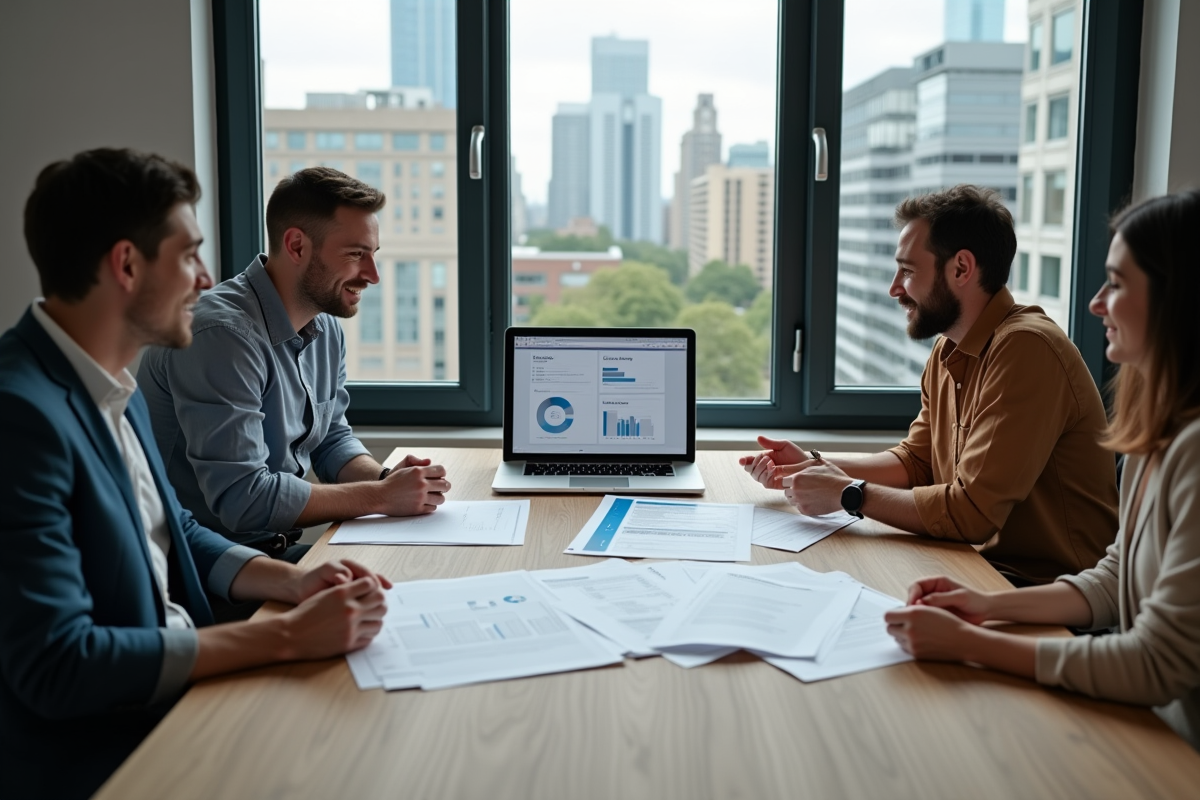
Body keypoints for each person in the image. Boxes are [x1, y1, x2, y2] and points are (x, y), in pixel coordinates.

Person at [0, 149, 391, 800]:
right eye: (188, 256)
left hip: (174, 689)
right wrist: (285, 635)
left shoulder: (101, 382)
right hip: (109, 754)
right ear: (126, 265)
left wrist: (294, 581)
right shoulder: (21, 416)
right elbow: (60, 666)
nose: (207, 279)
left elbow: (173, 527)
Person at [884, 190, 1200, 751]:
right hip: (1131, 694)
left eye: (1118, 284)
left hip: (1172, 744)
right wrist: (981, 605)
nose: (1096, 304)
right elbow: (1114, 577)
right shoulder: (1163, 436)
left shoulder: (1193, 452)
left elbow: (1156, 663)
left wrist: (969, 641)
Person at [741, 185, 1118, 585]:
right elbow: (916, 463)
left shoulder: (1026, 349)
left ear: (961, 269)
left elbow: (971, 514)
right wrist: (813, 465)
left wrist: (848, 493)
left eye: (907, 270)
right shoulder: (949, 349)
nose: (894, 288)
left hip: (1048, 591)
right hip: (976, 567)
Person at [138, 167, 449, 563]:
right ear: (297, 246)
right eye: (356, 254)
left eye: (373, 255)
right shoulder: (221, 335)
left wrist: (386, 479)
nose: (372, 275)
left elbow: (331, 441)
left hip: (275, 554)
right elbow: (243, 500)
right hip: (200, 570)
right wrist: (383, 496)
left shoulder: (325, 327)